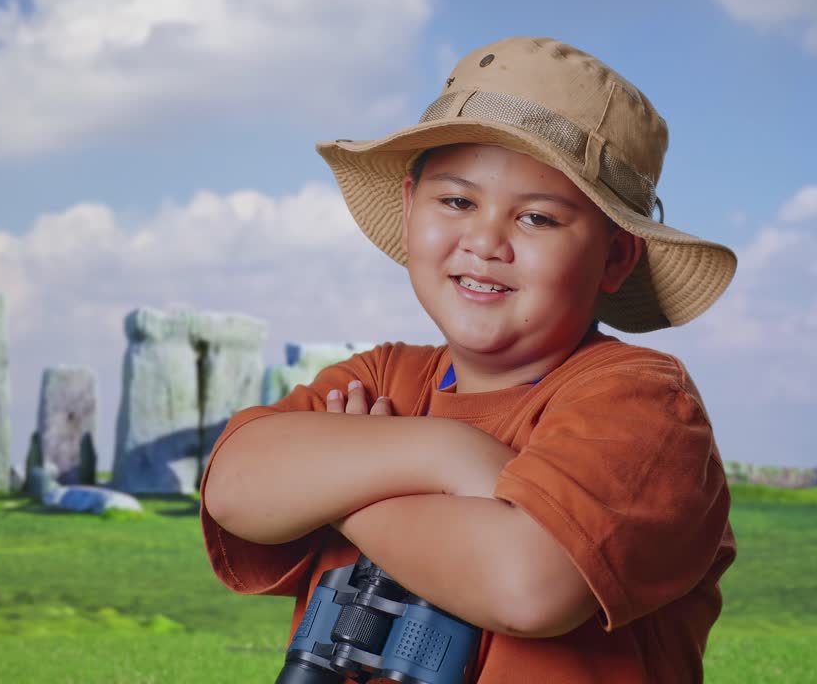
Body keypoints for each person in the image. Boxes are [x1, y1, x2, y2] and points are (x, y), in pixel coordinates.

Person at [200, 36, 738, 683]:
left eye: (538, 218)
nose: (485, 241)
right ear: (409, 208)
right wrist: (443, 453)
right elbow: (234, 488)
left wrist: (341, 486)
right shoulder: (378, 376)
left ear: (617, 257)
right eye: (457, 202)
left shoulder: (645, 404)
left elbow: (529, 586)